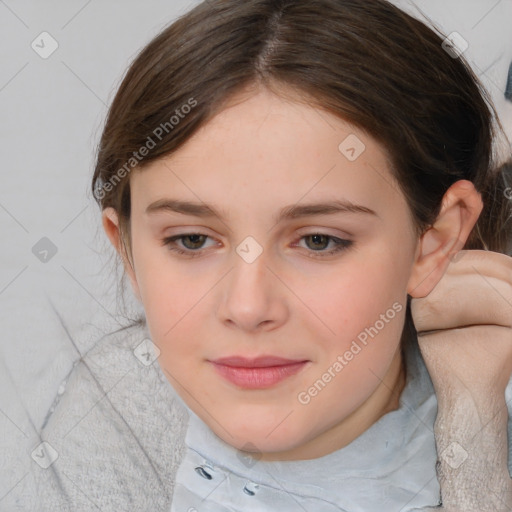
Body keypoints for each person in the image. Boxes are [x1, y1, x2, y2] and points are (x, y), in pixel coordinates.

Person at [29, 0, 512, 510]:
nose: (248, 306)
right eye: (192, 240)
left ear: (435, 239)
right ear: (126, 247)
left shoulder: (487, 408)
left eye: (318, 241)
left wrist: (474, 425)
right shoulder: (108, 417)